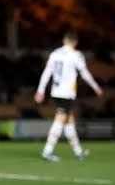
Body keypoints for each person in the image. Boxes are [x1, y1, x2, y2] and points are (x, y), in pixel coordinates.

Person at [35, 30, 103, 161]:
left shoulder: (55, 54)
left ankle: (78, 152)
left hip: (55, 91)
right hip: (67, 93)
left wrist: (41, 90)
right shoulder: (76, 55)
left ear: (64, 41)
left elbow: (46, 72)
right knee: (60, 118)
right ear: (75, 42)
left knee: (69, 120)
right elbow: (84, 73)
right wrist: (96, 87)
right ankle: (47, 150)